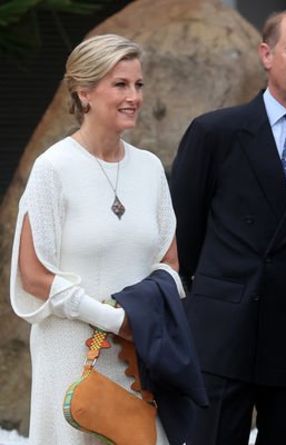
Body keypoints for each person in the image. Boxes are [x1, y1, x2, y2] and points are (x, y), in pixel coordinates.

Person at [170, 7, 286, 445]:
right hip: (223, 332)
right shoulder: (214, 133)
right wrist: (216, 296)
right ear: (266, 55)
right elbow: (184, 232)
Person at [9, 34, 180, 443]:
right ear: (84, 93)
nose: (133, 96)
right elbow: (33, 275)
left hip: (137, 356)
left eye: (138, 85)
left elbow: (170, 264)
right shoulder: (54, 168)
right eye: (120, 84)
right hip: (70, 352)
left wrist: (142, 319)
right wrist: (114, 320)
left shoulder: (150, 169)